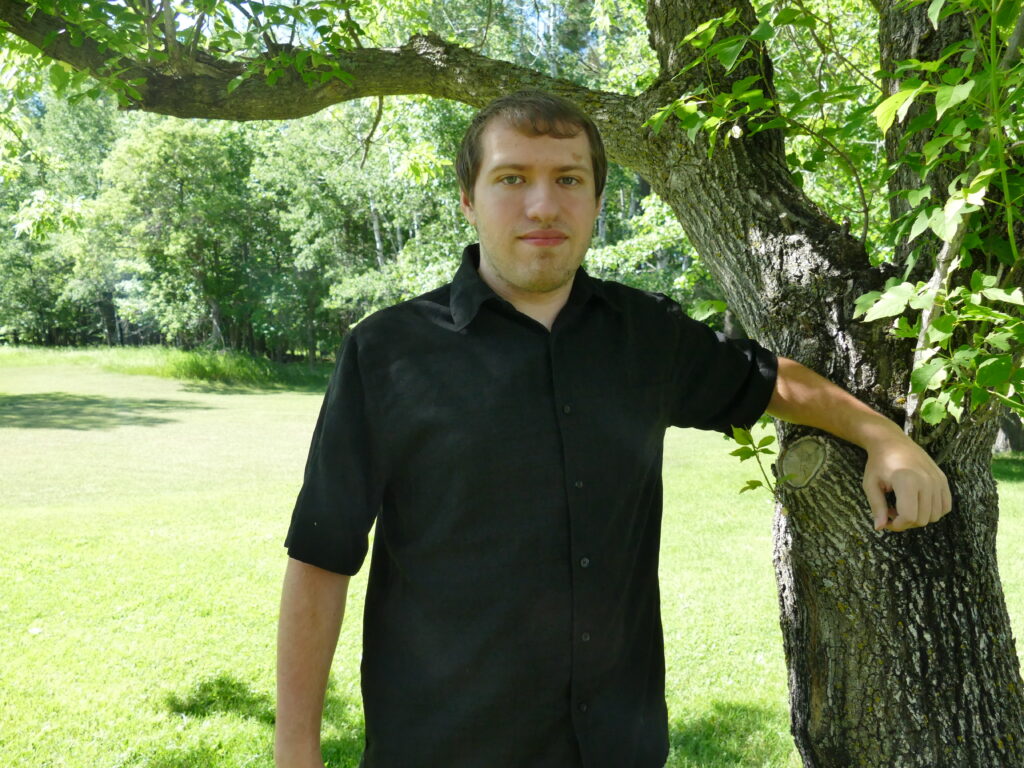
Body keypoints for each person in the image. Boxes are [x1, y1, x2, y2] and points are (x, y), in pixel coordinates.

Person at [275, 90, 952, 768]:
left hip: (615, 748)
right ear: (467, 199)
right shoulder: (388, 351)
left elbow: (771, 381)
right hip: (441, 747)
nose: (543, 206)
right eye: (512, 179)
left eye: (568, 180)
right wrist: (297, 747)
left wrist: (882, 436)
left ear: (597, 202)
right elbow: (321, 555)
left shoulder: (644, 335)